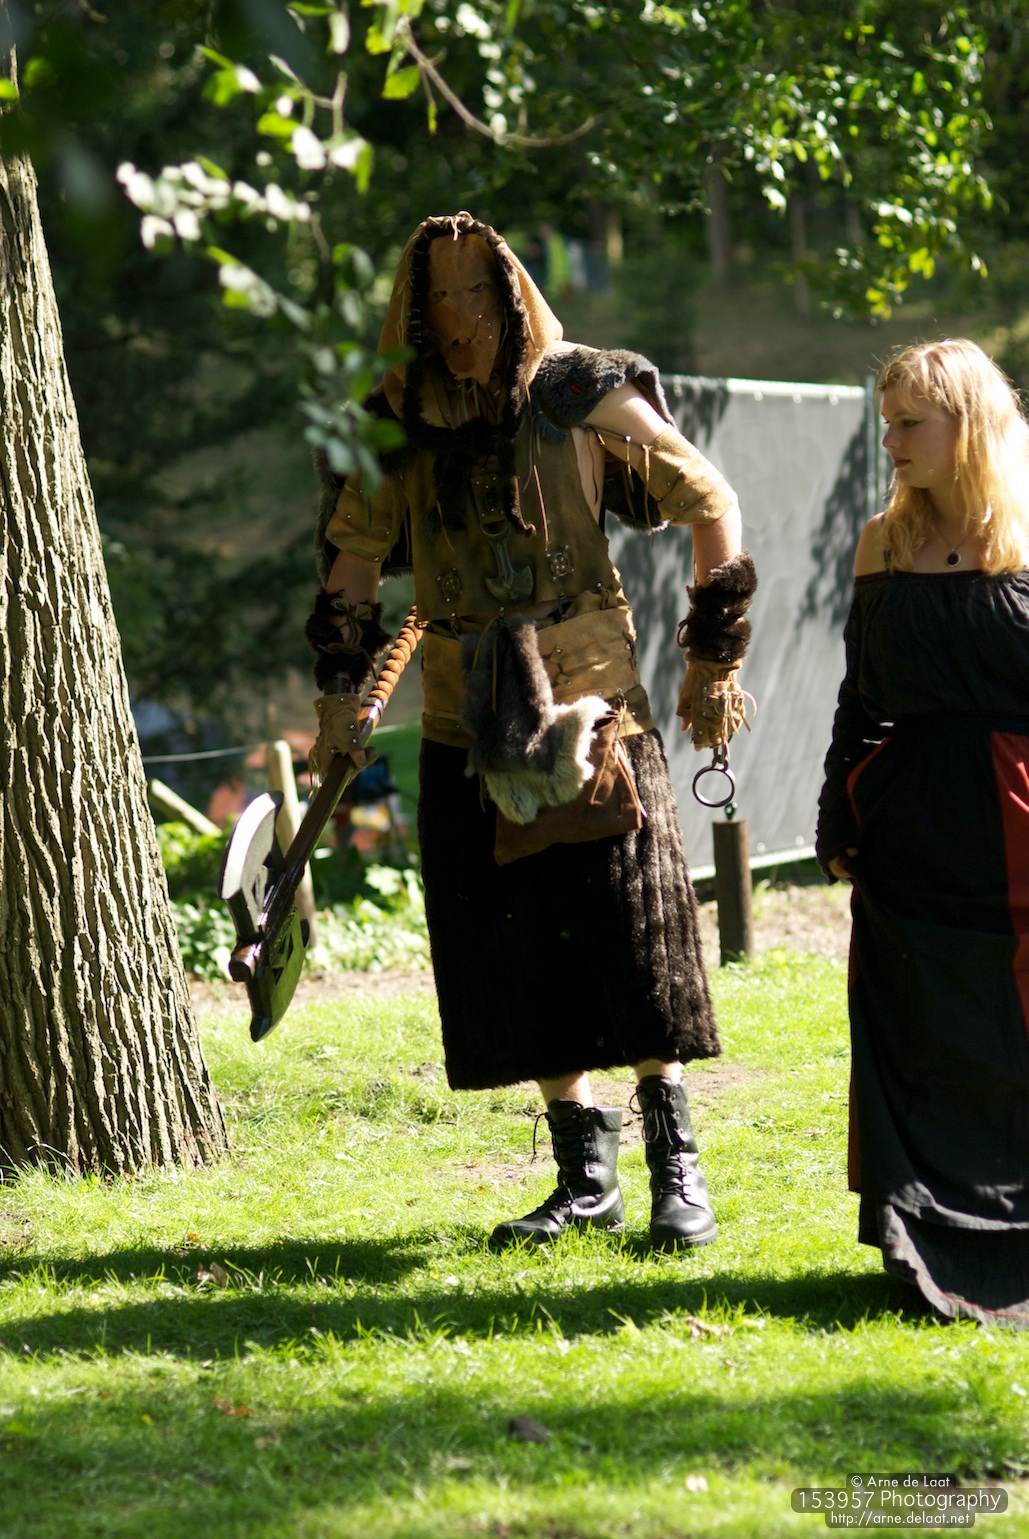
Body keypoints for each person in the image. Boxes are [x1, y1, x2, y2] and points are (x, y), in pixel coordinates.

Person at [307, 212, 755, 1250]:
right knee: (518, 945)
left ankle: (676, 1167)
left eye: (474, 293)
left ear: (508, 296)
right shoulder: (392, 419)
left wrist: (712, 658)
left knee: (631, 934)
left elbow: (708, 496)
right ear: (412, 313)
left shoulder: (578, 387)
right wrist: (337, 693)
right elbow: (351, 563)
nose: (457, 317)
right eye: (437, 298)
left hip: (591, 703)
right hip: (466, 714)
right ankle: (583, 1174)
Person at [816, 337, 1029, 1327]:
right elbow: (860, 697)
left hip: (1018, 826)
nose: (890, 441)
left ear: (969, 424)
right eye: (886, 422)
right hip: (907, 829)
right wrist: (836, 807)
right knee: (917, 1032)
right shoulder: (880, 541)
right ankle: (922, 1232)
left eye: (910, 423)